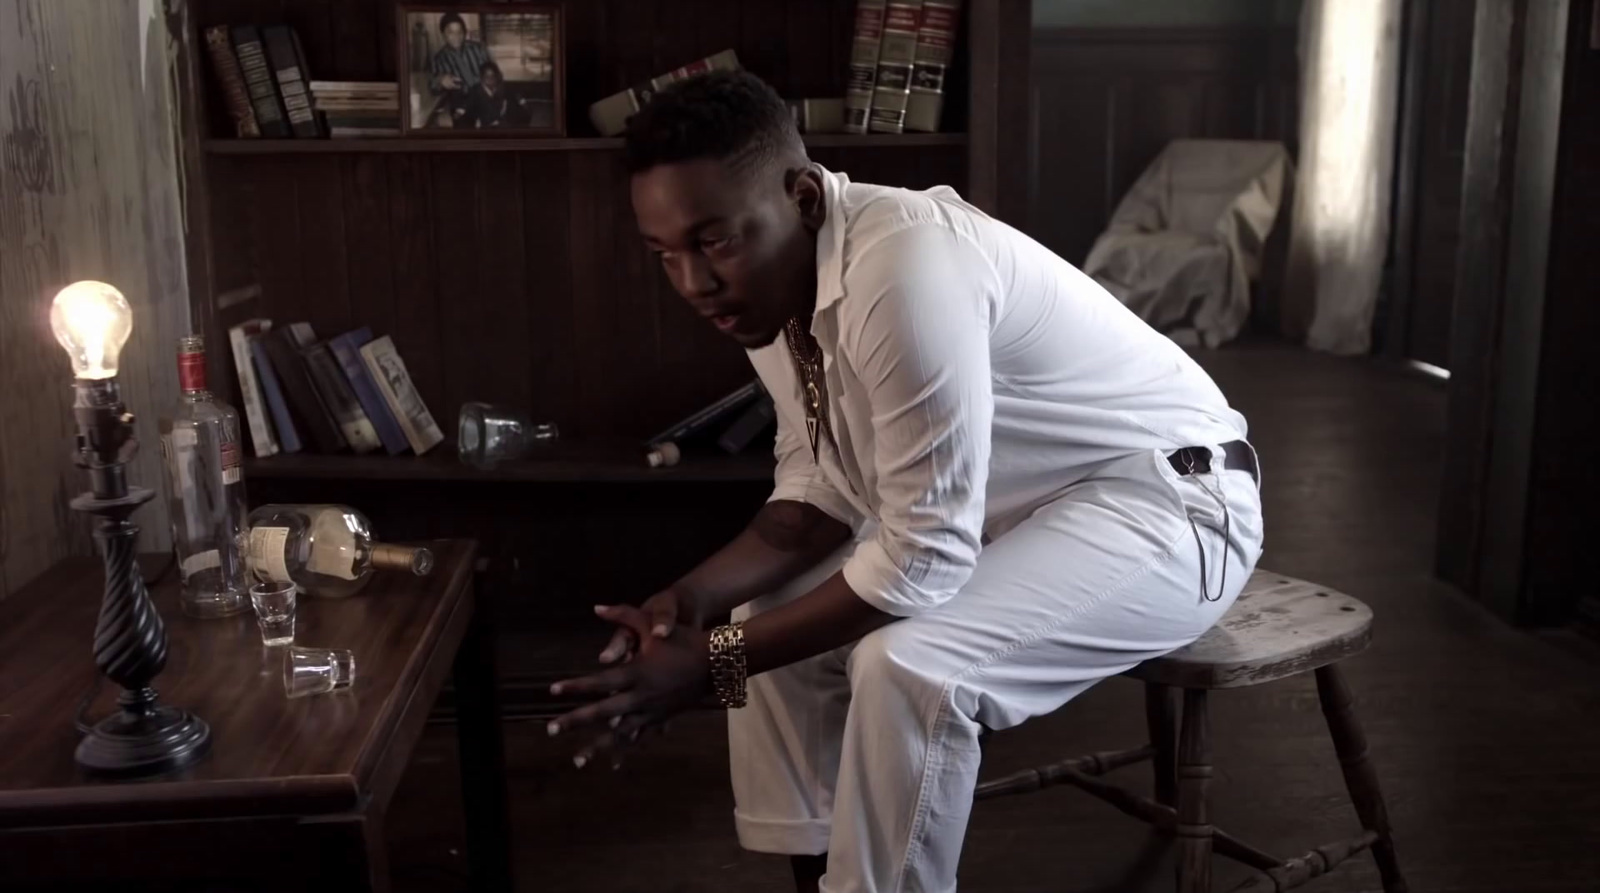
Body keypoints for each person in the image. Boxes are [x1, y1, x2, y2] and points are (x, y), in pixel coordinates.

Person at [548, 70, 1265, 893]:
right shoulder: (773, 290)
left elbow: (923, 557)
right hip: (1021, 522)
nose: (693, 283)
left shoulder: (905, 266)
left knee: (911, 664)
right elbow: (819, 490)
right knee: (763, 621)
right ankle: (822, 870)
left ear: (804, 195)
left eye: (714, 241)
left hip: (1172, 508)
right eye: (664, 254)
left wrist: (711, 665)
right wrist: (690, 605)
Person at [427, 13, 489, 106]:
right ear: (443, 34)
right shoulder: (439, 59)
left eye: (459, 32)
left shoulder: (478, 49)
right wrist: (440, 81)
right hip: (462, 105)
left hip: (485, 99)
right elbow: (433, 87)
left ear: (464, 33)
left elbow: (494, 74)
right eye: (451, 32)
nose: (456, 36)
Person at [458, 61, 528, 129]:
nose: (490, 79)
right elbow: (467, 103)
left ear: (497, 76)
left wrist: (522, 101)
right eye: (487, 76)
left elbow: (514, 92)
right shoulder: (476, 89)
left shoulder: (501, 86)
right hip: (483, 122)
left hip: (501, 120)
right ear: (481, 78)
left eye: (493, 76)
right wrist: (460, 112)